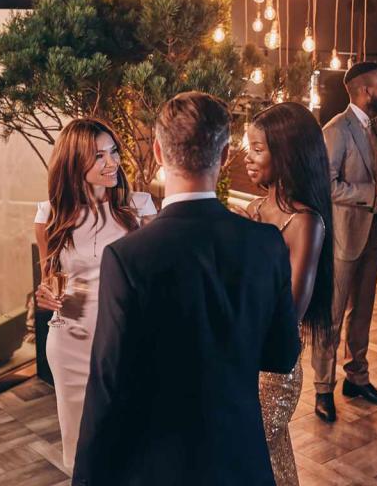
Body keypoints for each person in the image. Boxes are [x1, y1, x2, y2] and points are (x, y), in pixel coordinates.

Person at [72, 92, 300, 485]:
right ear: (225, 153)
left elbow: (107, 386)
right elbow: (281, 355)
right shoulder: (266, 243)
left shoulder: (128, 257)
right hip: (241, 459)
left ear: (159, 152)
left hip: (161, 465)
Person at [32, 118, 156, 469]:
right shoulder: (49, 216)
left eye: (113, 151)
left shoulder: (140, 209)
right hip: (70, 340)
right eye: (99, 156)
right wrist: (44, 295)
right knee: (81, 450)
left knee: (132, 445)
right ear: (73, 163)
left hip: (126, 342)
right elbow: (51, 278)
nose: (112, 162)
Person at [312, 61, 377, 423]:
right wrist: (375, 191)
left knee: (363, 313)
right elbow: (325, 186)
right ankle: (323, 388)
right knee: (332, 315)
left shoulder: (372, 126)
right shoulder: (336, 130)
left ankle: (357, 377)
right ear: (362, 89)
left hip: (373, 235)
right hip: (344, 238)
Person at [239, 103, 333, 485]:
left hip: (273, 369)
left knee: (249, 454)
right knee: (273, 457)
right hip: (242, 357)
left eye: (258, 148)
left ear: (287, 153)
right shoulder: (252, 209)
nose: (248, 157)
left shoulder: (305, 222)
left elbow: (291, 310)